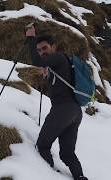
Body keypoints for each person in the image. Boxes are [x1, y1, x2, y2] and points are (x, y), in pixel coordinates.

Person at [25, 25, 88, 180]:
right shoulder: (59, 63)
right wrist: (47, 74)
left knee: (43, 145)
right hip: (74, 112)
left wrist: (31, 39)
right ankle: (80, 177)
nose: (41, 52)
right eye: (39, 50)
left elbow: (36, 60)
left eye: (44, 48)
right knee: (67, 153)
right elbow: (59, 86)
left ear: (54, 46)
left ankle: (48, 175)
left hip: (63, 110)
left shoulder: (59, 57)